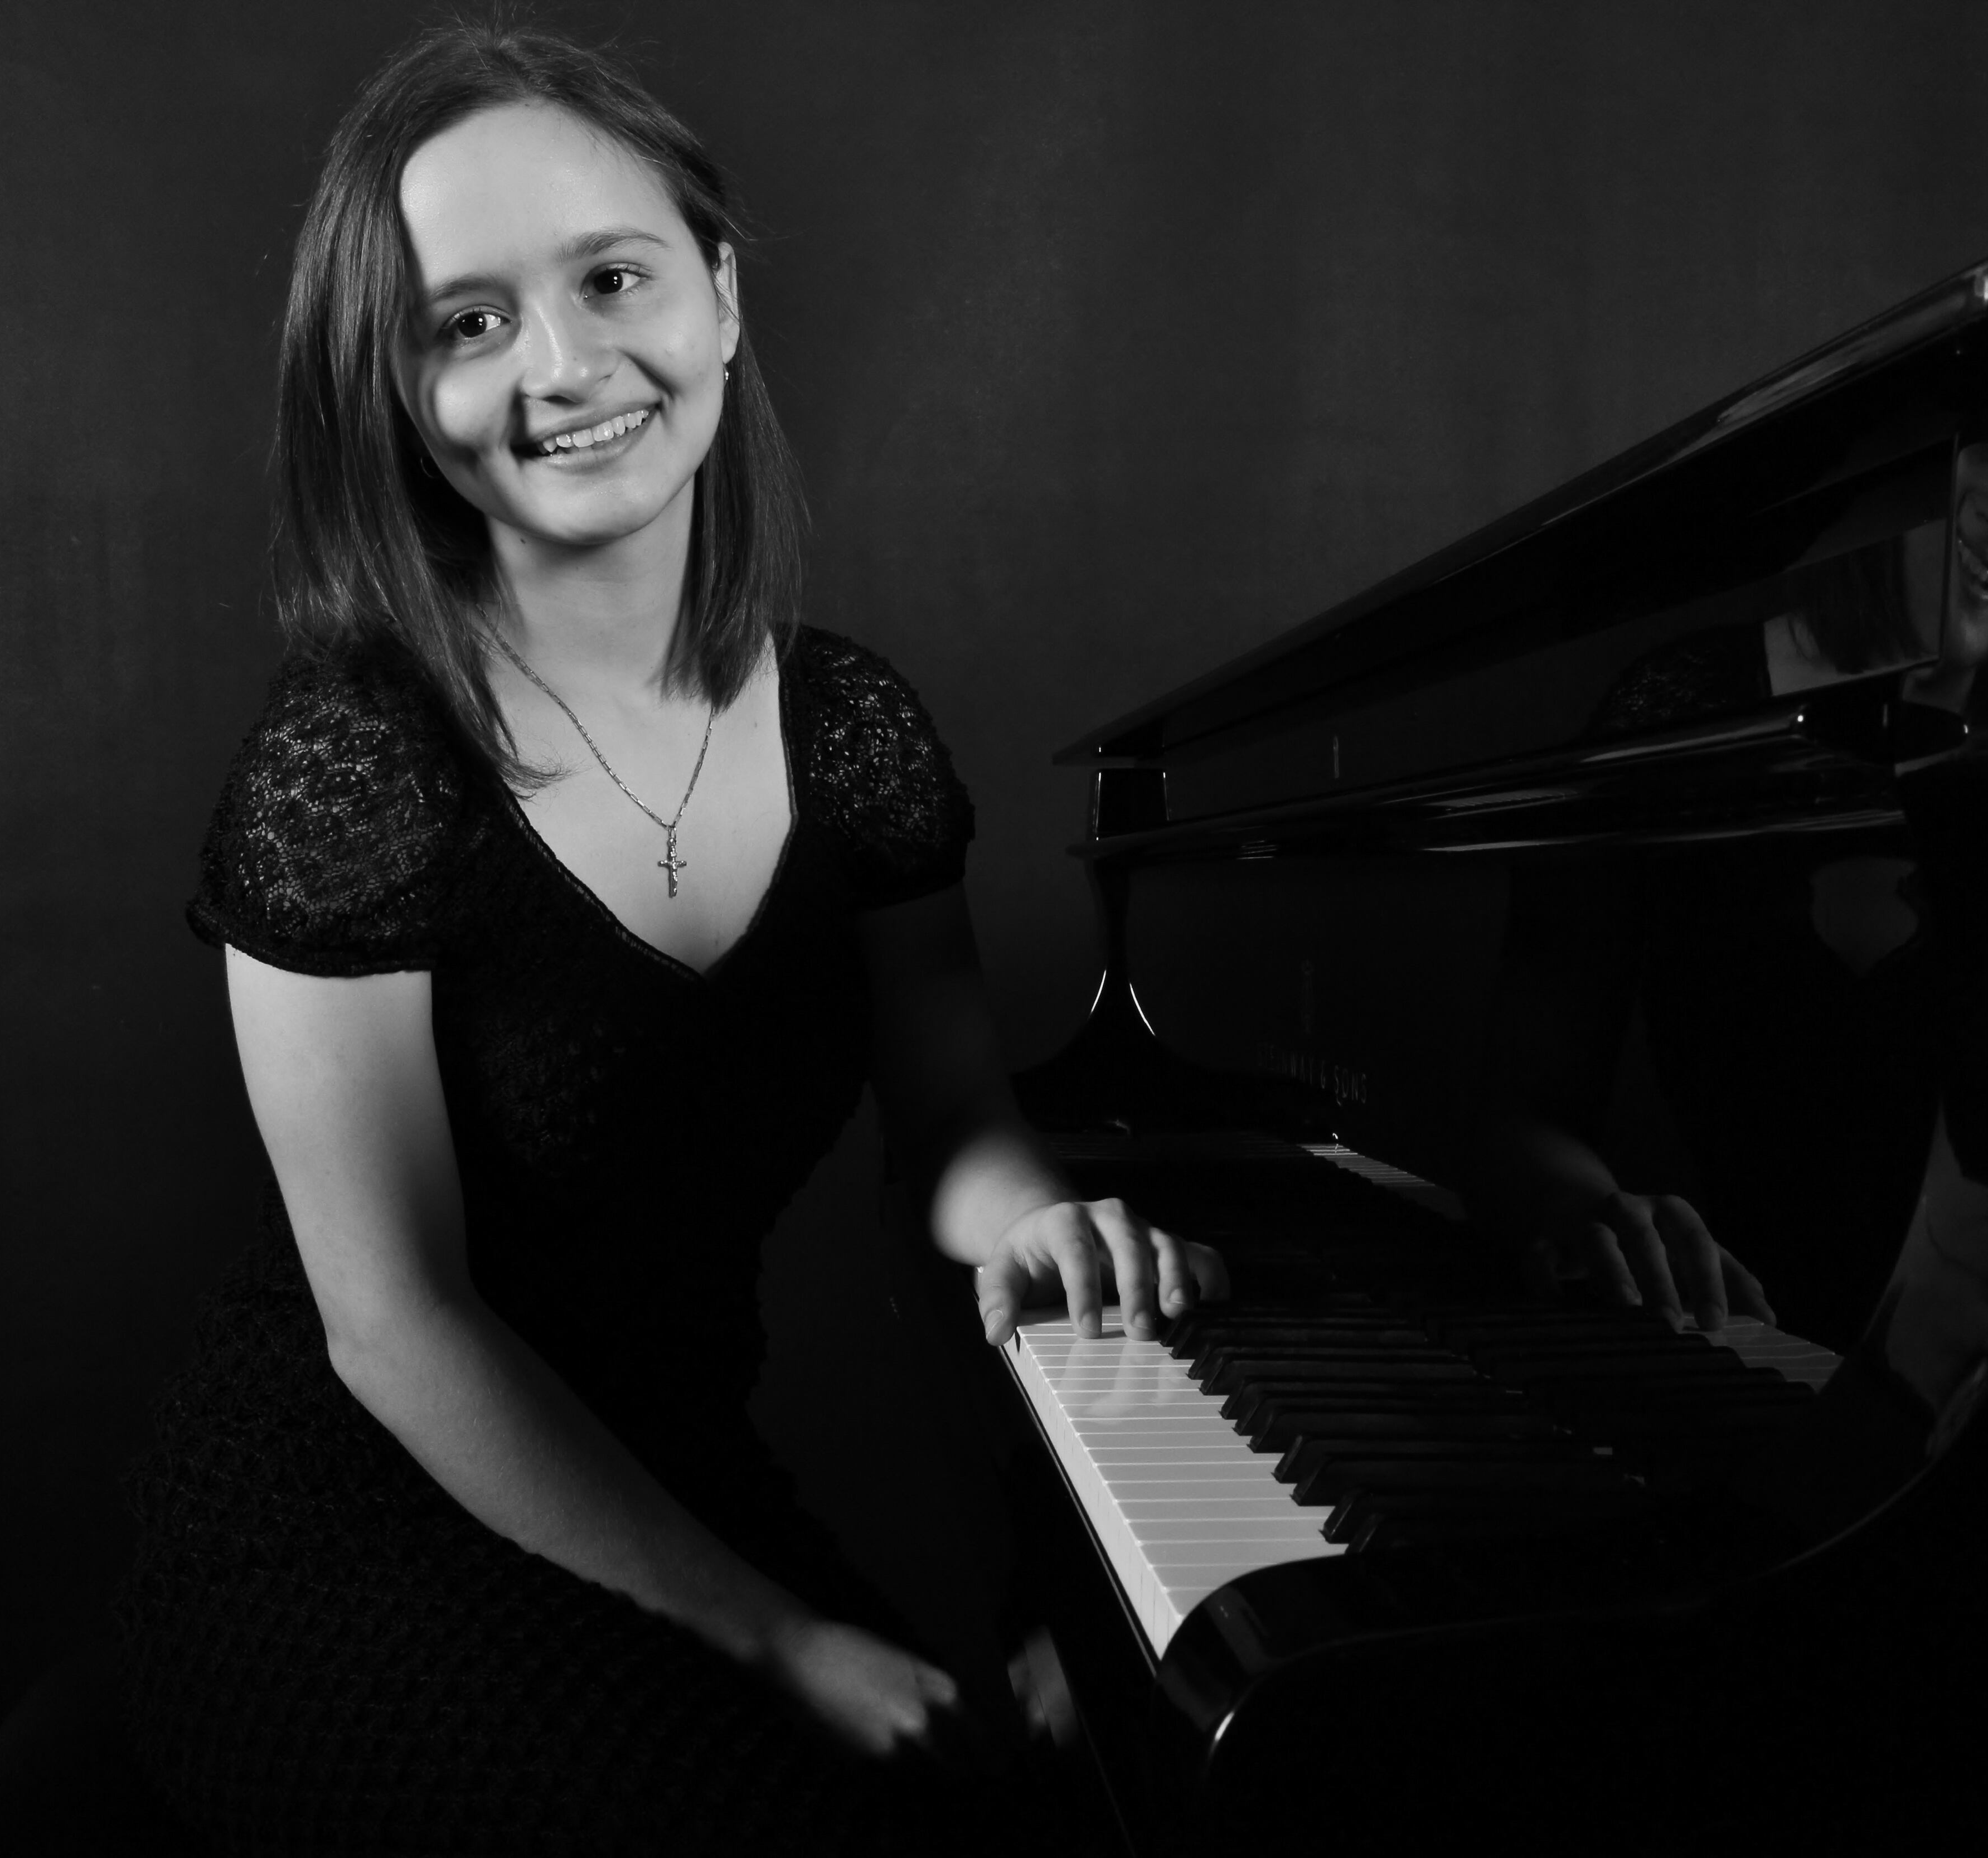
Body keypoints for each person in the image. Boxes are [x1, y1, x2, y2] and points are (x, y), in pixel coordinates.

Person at [114, 21, 1217, 1854]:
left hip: (676, 1473)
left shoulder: (854, 736)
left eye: (613, 278)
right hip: (343, 1511)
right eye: (469, 321)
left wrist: (1031, 1216)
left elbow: (950, 1124)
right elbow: (395, 1326)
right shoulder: (355, 765)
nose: (563, 365)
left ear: (718, 297)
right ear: (396, 391)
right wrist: (777, 1640)